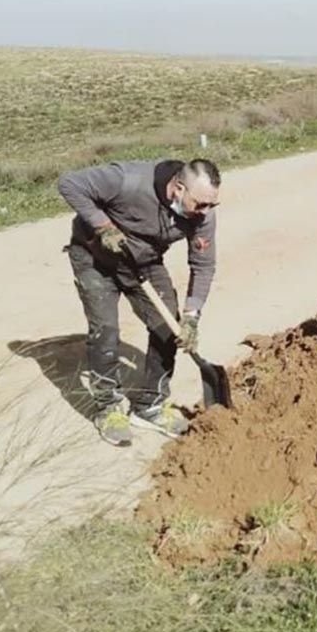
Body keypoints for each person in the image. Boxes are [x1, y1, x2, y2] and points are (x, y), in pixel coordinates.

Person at [57, 158, 221, 446]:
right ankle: (108, 408)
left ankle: (150, 406)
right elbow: (69, 184)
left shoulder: (203, 216)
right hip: (94, 258)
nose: (205, 212)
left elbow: (203, 266)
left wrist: (192, 316)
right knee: (105, 332)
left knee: (168, 330)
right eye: (200, 204)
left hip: (143, 263)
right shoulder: (128, 180)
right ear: (178, 188)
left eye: (211, 205)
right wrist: (103, 226)